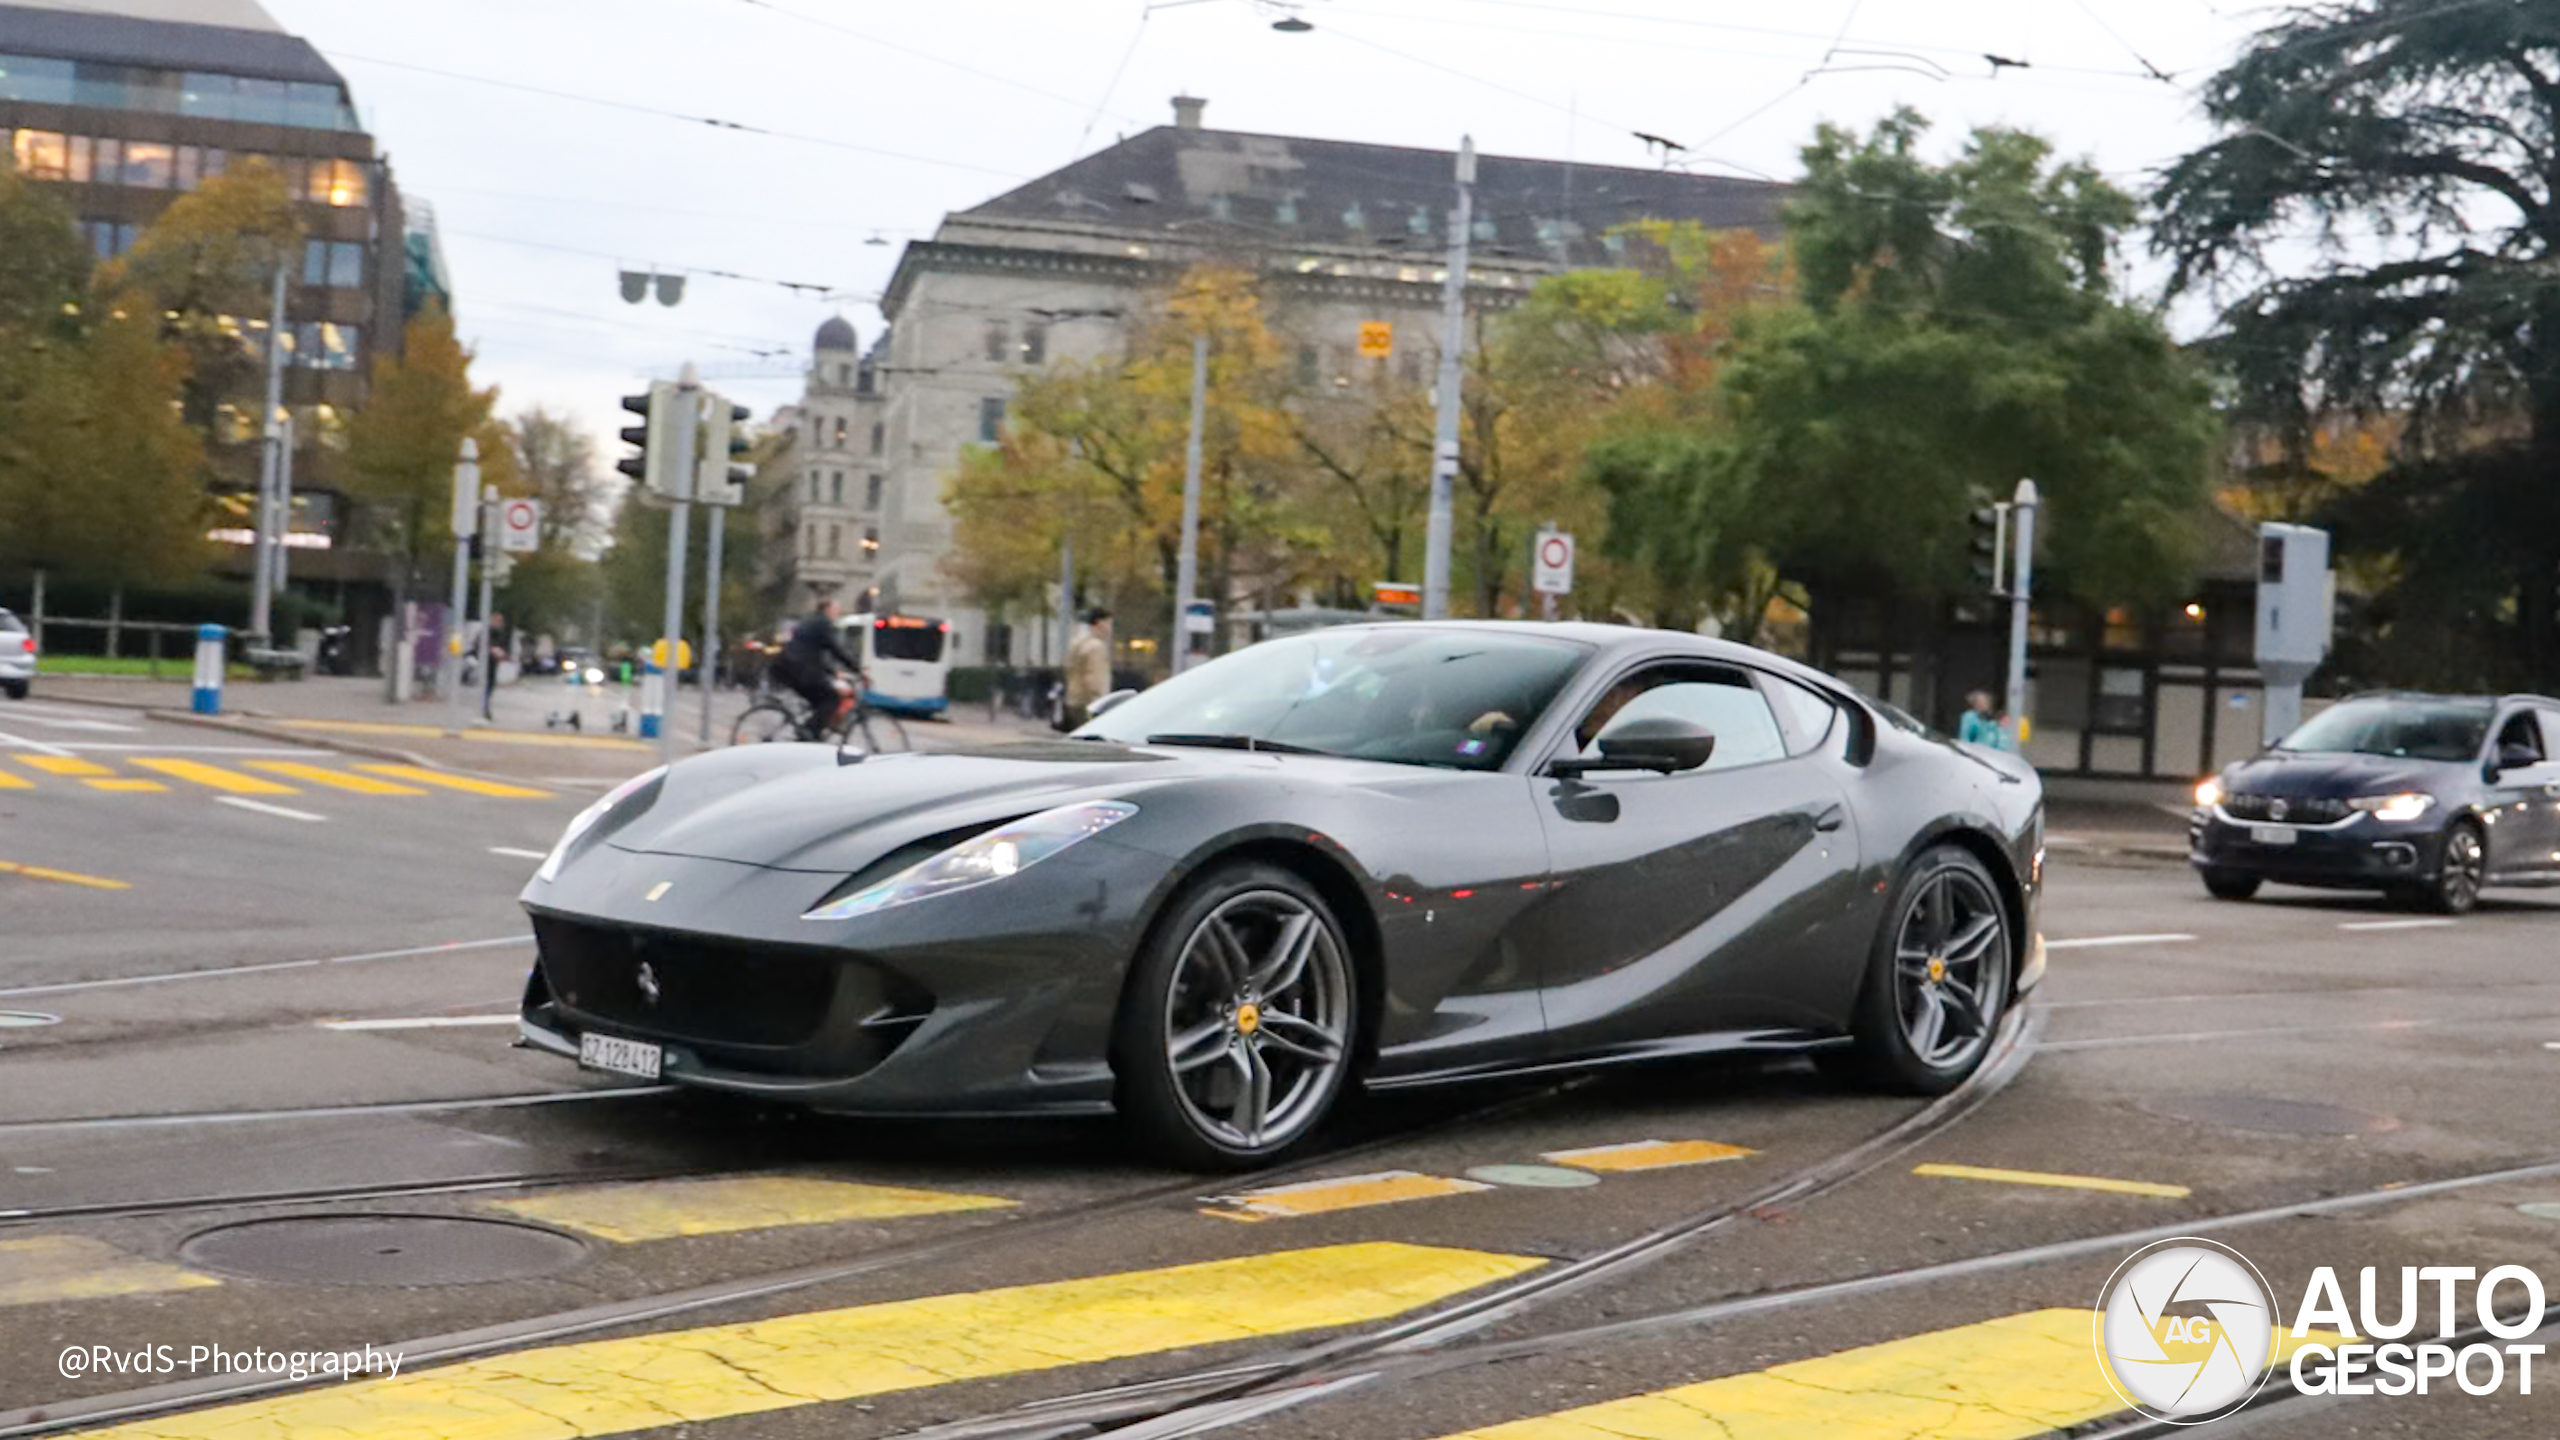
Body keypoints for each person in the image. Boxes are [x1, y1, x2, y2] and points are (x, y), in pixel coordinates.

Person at [773, 598, 862, 739]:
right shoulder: (823, 623)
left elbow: (813, 653)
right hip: (798, 669)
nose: (837, 613)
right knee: (832, 698)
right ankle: (807, 733)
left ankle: (811, 733)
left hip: (787, 666)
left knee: (820, 702)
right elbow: (835, 649)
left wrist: (833, 672)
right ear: (827, 609)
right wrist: (857, 669)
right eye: (836, 610)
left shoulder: (812, 621)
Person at [1063, 607, 1113, 729]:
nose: (1110, 629)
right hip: (1089, 703)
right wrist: (1102, 701)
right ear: (1100, 623)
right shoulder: (1095, 647)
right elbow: (1095, 680)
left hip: (1074, 699)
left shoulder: (1076, 644)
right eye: (1109, 623)